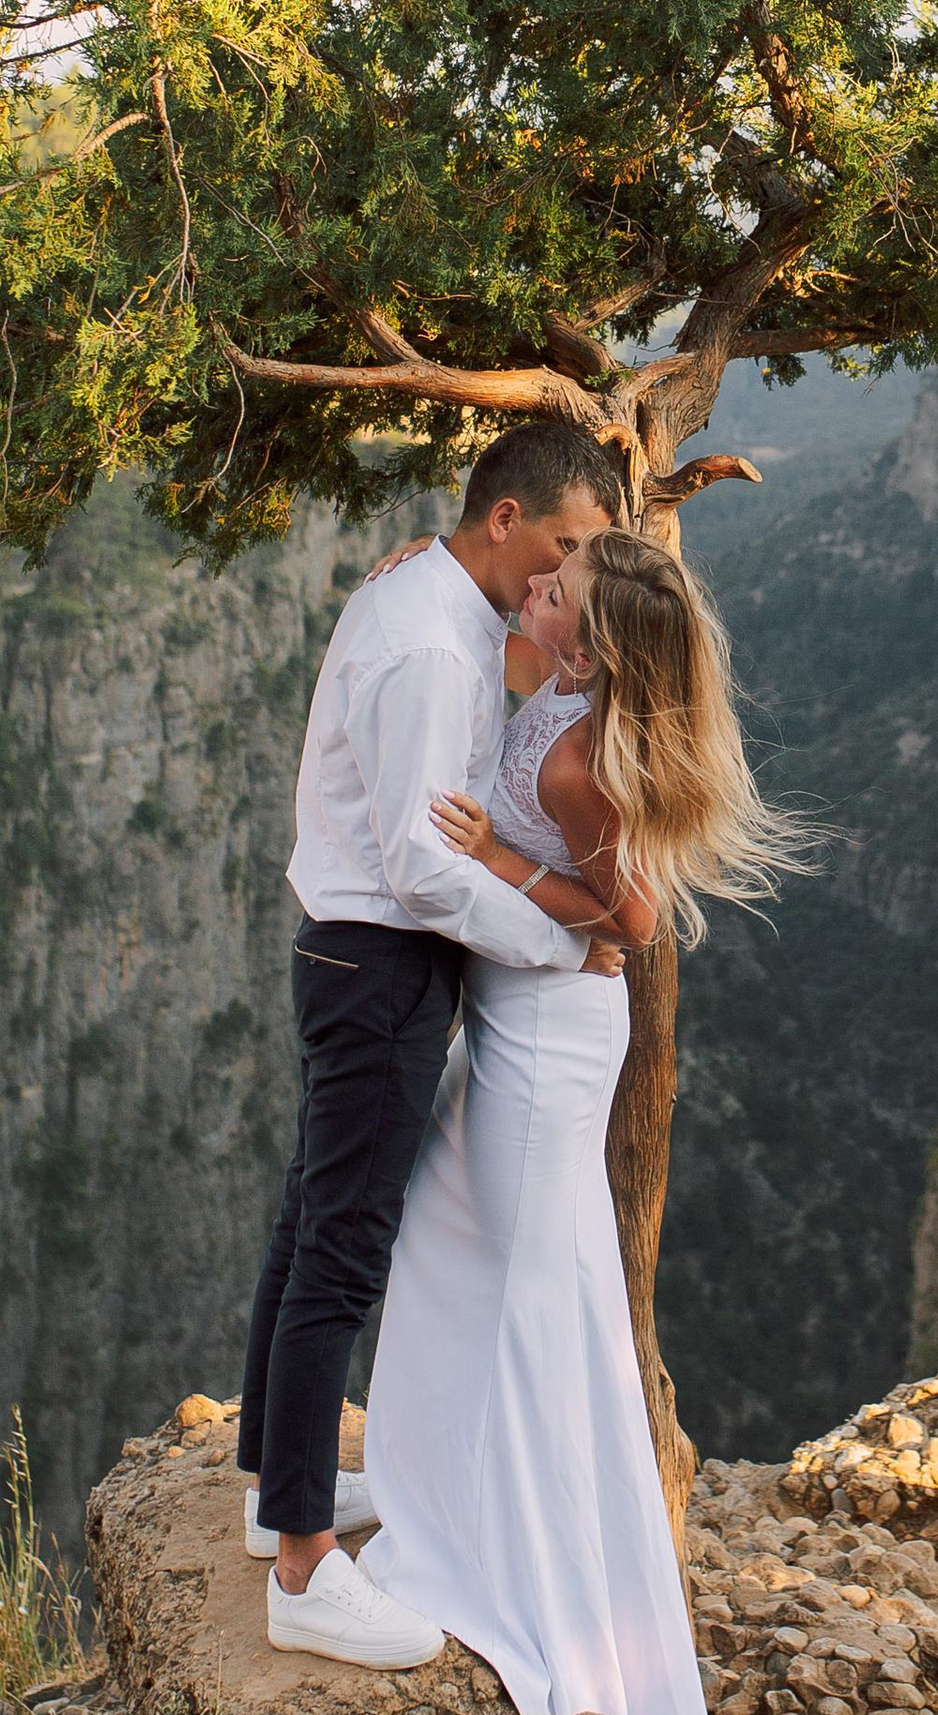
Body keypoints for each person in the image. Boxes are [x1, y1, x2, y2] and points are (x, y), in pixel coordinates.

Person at [355, 525, 807, 1715]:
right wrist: (423, 568)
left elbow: (635, 919)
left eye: (558, 590)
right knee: (459, 1255)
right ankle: (448, 1492)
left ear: (589, 636)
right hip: (513, 1021)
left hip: (552, 1039)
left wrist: (502, 858)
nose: (538, 585)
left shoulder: (579, 764)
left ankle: (513, 1555)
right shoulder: (554, 679)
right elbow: (478, 638)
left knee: (518, 1289)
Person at [236, 420, 627, 1671]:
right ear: (504, 520)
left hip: (363, 953)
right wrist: (562, 946)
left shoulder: (436, 598)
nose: (566, 574)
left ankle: (270, 1488)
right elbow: (415, 862)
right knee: (342, 1249)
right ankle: (302, 1565)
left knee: (313, 1215)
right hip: (379, 957)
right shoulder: (426, 646)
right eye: (562, 543)